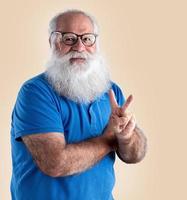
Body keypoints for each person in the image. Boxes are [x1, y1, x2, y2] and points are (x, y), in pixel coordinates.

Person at [10, 9, 147, 200]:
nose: (80, 47)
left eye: (87, 39)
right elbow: (55, 163)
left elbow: (136, 154)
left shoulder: (110, 91)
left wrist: (125, 138)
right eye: (69, 38)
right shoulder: (35, 92)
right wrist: (109, 140)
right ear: (52, 42)